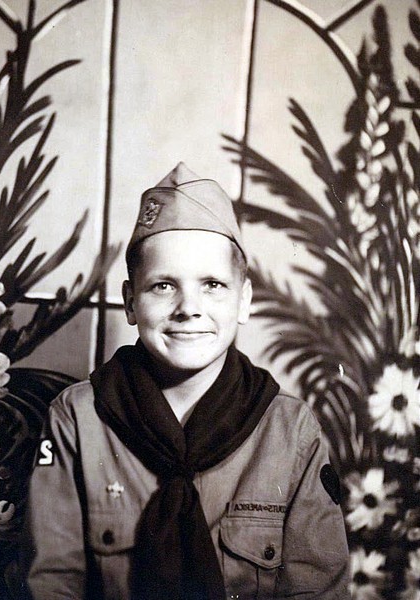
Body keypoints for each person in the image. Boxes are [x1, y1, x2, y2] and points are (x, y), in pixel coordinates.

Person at [20, 163, 350, 600]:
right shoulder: (78, 418)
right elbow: (52, 584)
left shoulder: (291, 432)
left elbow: (315, 591)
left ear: (243, 301)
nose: (188, 307)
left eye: (212, 284)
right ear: (130, 302)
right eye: (163, 286)